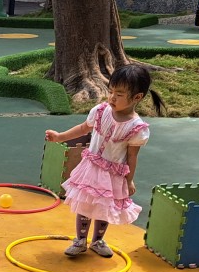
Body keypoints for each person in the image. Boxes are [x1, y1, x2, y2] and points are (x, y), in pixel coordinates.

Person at [45, 64, 167, 257]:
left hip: (112, 174)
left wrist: (129, 181)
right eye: (110, 91)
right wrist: (60, 137)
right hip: (91, 169)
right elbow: (83, 128)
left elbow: (132, 156)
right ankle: (80, 241)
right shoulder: (100, 111)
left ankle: (97, 241)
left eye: (119, 94)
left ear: (137, 97)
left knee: (104, 207)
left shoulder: (137, 128)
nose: (112, 97)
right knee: (85, 205)